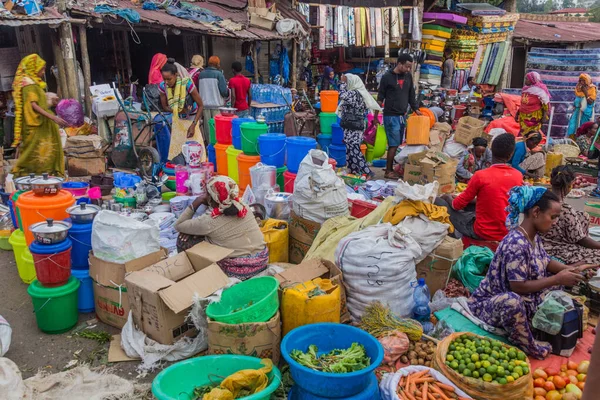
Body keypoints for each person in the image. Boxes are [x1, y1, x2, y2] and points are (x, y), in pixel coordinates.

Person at [468, 186, 596, 359]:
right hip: (492, 304)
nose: (555, 222)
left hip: (524, 297)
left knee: (557, 285)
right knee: (513, 302)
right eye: (553, 217)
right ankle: (528, 344)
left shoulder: (534, 237)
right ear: (536, 212)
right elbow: (518, 286)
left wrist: (573, 270)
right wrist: (557, 278)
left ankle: (526, 325)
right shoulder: (516, 243)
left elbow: (547, 262)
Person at [174, 176, 268, 280]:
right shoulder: (244, 206)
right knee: (207, 234)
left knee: (183, 239)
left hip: (241, 270)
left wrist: (197, 201)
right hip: (262, 260)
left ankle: (191, 274)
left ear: (211, 197)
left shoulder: (209, 221)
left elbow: (179, 225)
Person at [435, 133, 523, 242]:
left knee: (438, 201)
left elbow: (456, 205)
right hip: (506, 232)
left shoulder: (480, 176)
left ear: (490, 150)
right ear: (510, 155)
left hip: (482, 232)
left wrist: (447, 197)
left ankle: (452, 239)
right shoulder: (518, 176)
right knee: (472, 208)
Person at [11, 54, 66, 177]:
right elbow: (33, 105)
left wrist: (51, 101)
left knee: (44, 151)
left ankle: (44, 174)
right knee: (35, 153)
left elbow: (38, 101)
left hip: (41, 124)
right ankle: (32, 176)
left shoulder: (34, 83)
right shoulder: (29, 85)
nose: (43, 72)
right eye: (42, 69)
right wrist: (53, 117)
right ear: (32, 68)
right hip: (35, 126)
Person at [374, 54, 421, 179]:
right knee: (393, 145)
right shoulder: (387, 77)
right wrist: (375, 117)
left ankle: (392, 168)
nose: (408, 69)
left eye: (410, 67)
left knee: (398, 143)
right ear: (399, 63)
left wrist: (416, 109)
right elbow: (380, 98)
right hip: (390, 116)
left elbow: (411, 94)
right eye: (406, 66)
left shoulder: (408, 76)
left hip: (402, 116)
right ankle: (388, 171)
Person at [541, 166, 600, 264]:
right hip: (556, 250)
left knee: (583, 215)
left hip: (540, 243)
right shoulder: (566, 209)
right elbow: (582, 240)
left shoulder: (541, 199)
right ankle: (571, 268)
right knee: (596, 254)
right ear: (570, 185)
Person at [156, 58, 205, 164]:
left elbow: (201, 105)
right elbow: (165, 107)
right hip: (178, 119)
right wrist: (179, 111)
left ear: (176, 75)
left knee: (193, 152)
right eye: (164, 79)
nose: (166, 82)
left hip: (192, 118)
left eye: (169, 79)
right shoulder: (162, 87)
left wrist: (193, 125)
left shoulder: (187, 84)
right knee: (178, 151)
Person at [338, 73, 382, 178]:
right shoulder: (360, 93)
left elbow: (342, 95)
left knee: (353, 149)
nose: (347, 83)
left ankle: (367, 172)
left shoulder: (355, 93)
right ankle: (353, 171)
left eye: (348, 81)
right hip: (353, 125)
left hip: (353, 126)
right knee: (350, 149)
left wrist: (343, 83)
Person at [198, 56, 228, 142]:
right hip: (216, 105)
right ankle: (217, 146)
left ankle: (209, 146)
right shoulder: (219, 74)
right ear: (216, 64)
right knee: (216, 127)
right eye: (219, 63)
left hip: (204, 106)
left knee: (208, 129)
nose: (219, 65)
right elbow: (224, 92)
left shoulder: (201, 74)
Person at [516, 72, 550, 136]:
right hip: (523, 116)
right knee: (523, 133)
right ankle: (523, 144)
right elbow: (523, 103)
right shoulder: (525, 89)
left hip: (533, 117)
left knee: (531, 134)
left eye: (527, 79)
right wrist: (517, 113)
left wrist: (544, 116)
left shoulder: (540, 90)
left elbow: (545, 104)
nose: (525, 80)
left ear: (532, 80)